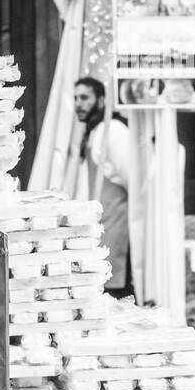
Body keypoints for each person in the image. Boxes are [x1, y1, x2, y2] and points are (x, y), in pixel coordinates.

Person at [65, 76, 133, 298]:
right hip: (99, 237)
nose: (79, 104)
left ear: (102, 100)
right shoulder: (95, 132)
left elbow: (131, 178)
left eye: (85, 97)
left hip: (116, 234)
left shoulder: (113, 130)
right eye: (76, 98)